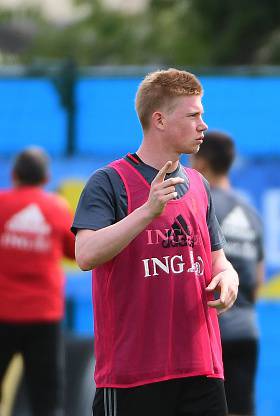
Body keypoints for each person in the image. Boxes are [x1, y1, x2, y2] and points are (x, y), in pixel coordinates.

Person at [72, 68, 239, 416]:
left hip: (201, 368)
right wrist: (146, 212)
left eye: (202, 115)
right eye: (193, 115)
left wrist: (228, 277)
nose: (203, 125)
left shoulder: (197, 183)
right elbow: (85, 255)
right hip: (134, 375)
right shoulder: (109, 181)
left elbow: (217, 258)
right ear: (159, 120)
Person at [191, 131, 265, 416]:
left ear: (202, 164)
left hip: (209, 332)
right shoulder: (251, 213)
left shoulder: (201, 204)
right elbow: (258, 281)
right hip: (246, 330)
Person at [0, 147, 76, 416]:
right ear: (46, 179)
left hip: (2, 312)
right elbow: (76, 252)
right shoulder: (56, 208)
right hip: (44, 316)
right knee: (46, 400)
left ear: (14, 174)